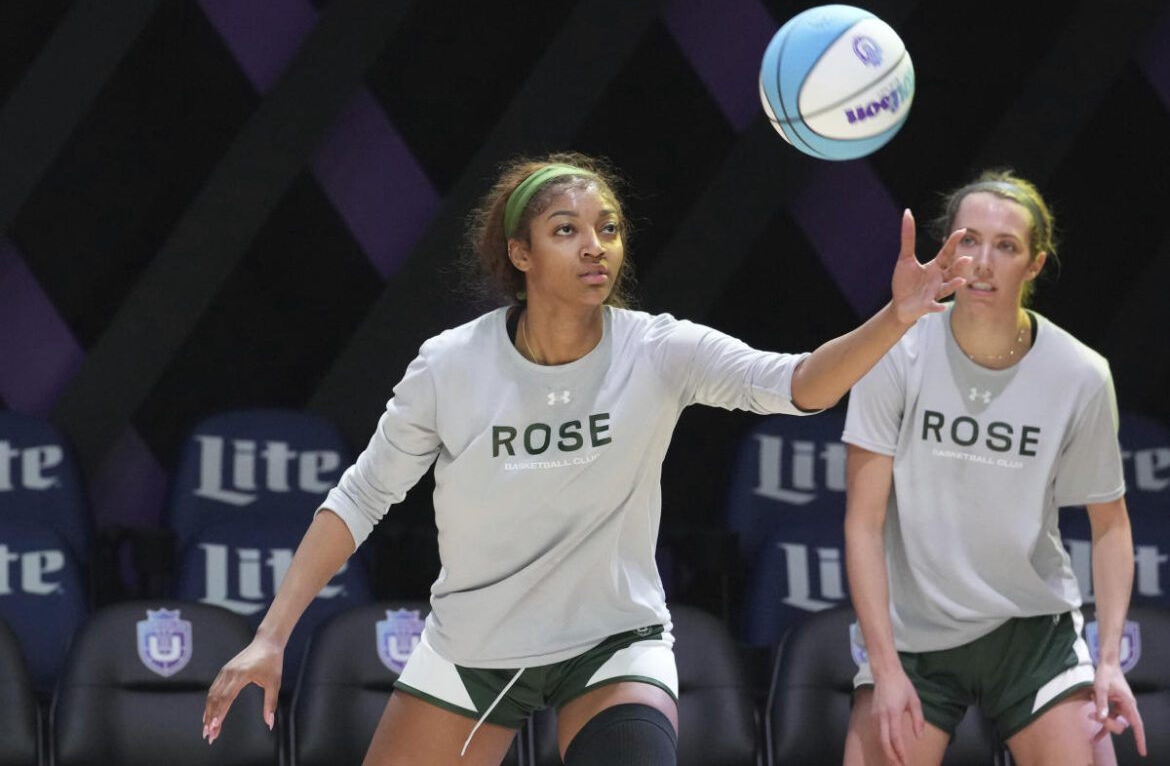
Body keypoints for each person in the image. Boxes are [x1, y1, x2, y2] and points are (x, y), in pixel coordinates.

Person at [201, 151, 967, 765]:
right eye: (566, 230)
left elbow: (799, 385)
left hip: (612, 643)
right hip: (477, 647)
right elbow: (360, 499)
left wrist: (896, 318)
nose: (595, 245)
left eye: (608, 228)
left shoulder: (657, 350)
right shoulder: (450, 366)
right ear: (521, 254)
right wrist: (272, 635)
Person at [841, 170, 1147, 766]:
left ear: (1034, 264)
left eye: (1005, 246)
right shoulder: (894, 350)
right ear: (947, 248)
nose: (982, 262)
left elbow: (1111, 525)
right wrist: (884, 667)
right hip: (914, 632)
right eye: (969, 241)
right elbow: (863, 524)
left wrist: (1108, 660)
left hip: (1032, 634)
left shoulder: (1080, 375)